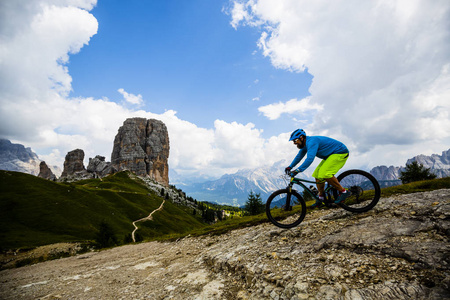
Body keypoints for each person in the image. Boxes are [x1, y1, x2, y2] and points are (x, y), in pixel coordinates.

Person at [285, 129, 350, 207]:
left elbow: (309, 159)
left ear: (301, 138)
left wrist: (298, 170)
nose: (294, 143)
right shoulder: (305, 145)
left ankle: (343, 192)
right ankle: (321, 198)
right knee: (317, 176)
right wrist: (290, 167)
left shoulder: (312, 142)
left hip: (340, 152)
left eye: (295, 140)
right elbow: (299, 156)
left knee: (325, 174)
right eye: (293, 141)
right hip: (330, 155)